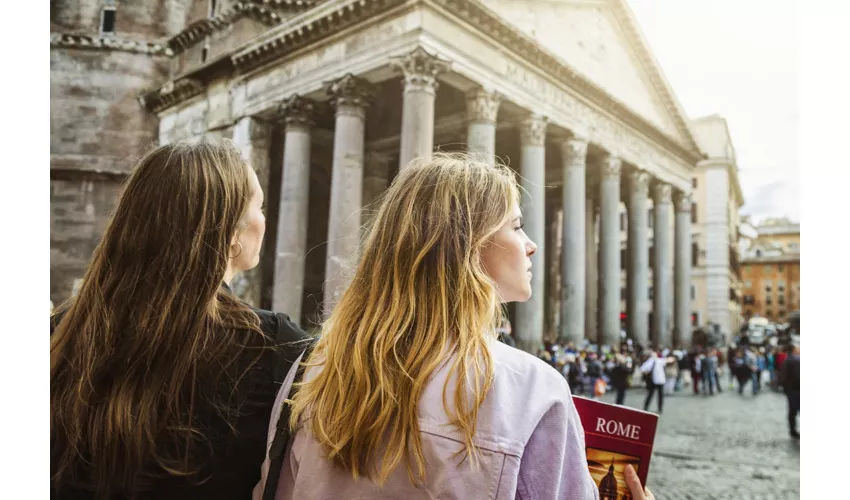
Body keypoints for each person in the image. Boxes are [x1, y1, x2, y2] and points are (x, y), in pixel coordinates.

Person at [254, 154, 654, 500]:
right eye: (516, 226)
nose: (531, 244)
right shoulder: (531, 390)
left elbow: (273, 490)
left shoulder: (313, 367)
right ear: (469, 246)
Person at [50, 138, 311, 499]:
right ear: (231, 232)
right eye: (260, 207)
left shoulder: (63, 326)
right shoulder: (274, 345)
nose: (264, 220)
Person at [779, 342, 801, 439]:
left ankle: (793, 430)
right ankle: (793, 430)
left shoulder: (788, 359)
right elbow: (798, 376)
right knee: (794, 410)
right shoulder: (794, 360)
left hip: (791, 389)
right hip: (796, 389)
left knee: (792, 411)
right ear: (794, 350)